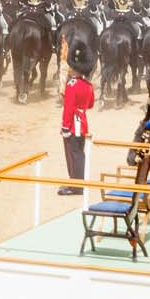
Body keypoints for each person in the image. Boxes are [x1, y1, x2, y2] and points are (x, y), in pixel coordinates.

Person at [58, 35, 94, 196]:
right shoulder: (87, 85)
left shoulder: (72, 85)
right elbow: (90, 104)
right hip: (83, 122)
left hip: (73, 123)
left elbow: (68, 108)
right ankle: (79, 181)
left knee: (72, 155)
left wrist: (65, 126)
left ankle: (75, 185)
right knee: (79, 153)